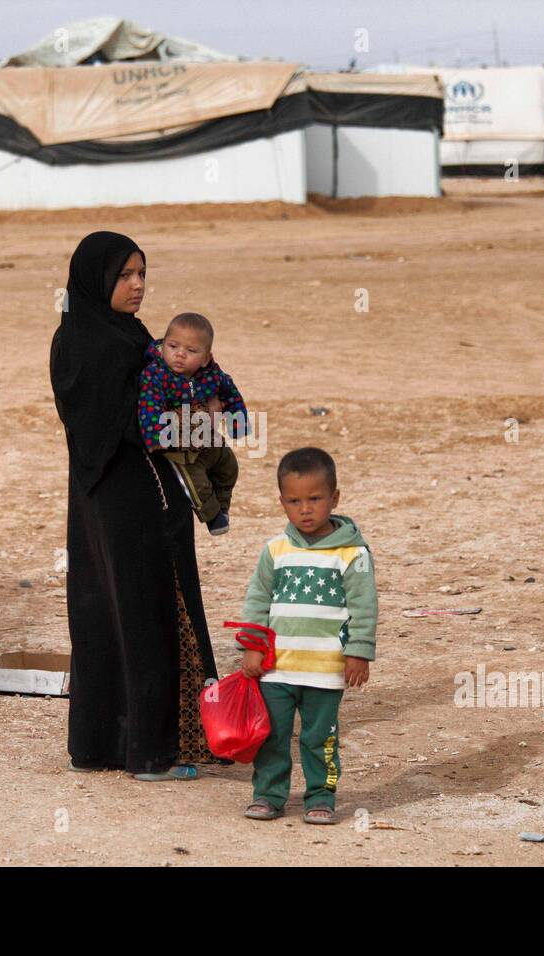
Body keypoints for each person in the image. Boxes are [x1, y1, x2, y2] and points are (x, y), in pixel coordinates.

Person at [49, 231, 220, 781]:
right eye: (125, 275)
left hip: (94, 499)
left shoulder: (81, 336)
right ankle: (151, 752)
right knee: (149, 616)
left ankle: (98, 745)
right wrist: (201, 415)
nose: (138, 285)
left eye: (142, 273)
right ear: (97, 279)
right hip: (137, 499)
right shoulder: (112, 345)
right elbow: (140, 426)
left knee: (104, 613)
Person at [236, 447, 379, 824]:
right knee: (272, 737)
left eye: (315, 499)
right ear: (282, 502)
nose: (305, 509)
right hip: (277, 670)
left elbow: (364, 606)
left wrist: (359, 652)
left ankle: (321, 797)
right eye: (294, 501)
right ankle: (268, 795)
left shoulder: (353, 553)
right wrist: (252, 648)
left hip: (325, 670)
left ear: (334, 497)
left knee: (320, 740)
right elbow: (256, 602)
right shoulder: (275, 551)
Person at [137, 312, 249, 535]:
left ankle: (223, 506)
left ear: (206, 358)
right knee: (195, 481)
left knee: (228, 466)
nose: (179, 354)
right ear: (163, 345)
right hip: (178, 447)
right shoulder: (156, 375)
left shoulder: (211, 374)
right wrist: (157, 438)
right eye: (173, 346)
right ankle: (212, 516)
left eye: (191, 350)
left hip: (206, 438)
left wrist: (238, 423)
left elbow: (230, 393)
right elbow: (149, 409)